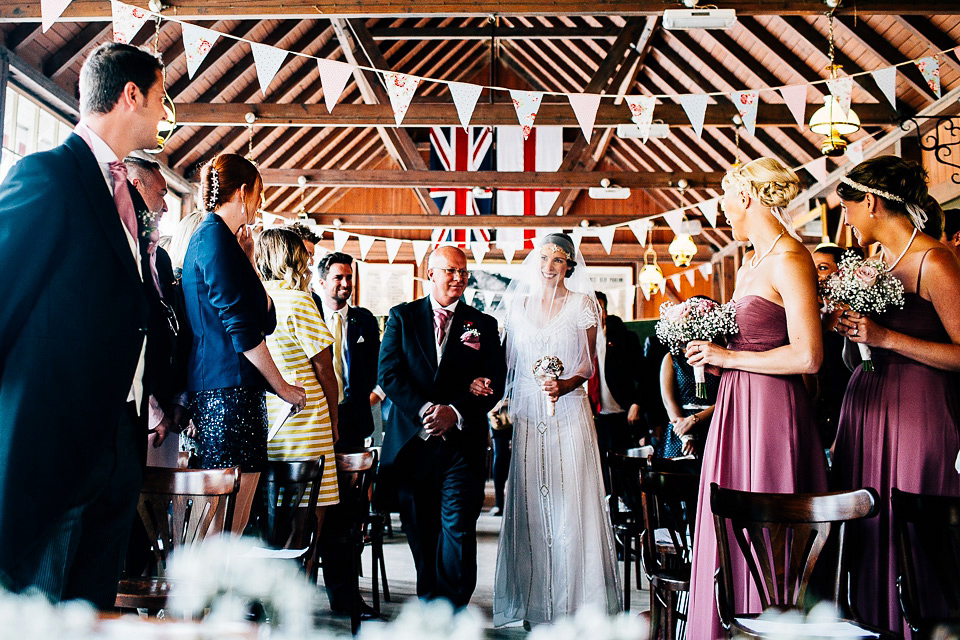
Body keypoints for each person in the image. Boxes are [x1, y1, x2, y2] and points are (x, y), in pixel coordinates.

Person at [0, 42, 166, 608]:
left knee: (91, 613)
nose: (164, 116)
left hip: (118, 445)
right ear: (131, 95)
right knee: (40, 615)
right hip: (53, 449)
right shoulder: (47, 176)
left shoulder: (131, 201)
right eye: (161, 99)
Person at [685, 158, 827, 639]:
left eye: (726, 200)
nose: (724, 212)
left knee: (769, 528)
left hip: (772, 412)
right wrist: (711, 353)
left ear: (745, 197)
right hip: (734, 407)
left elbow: (809, 356)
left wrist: (728, 356)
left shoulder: (790, 257)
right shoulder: (750, 263)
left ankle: (771, 622)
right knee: (729, 522)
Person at [832, 156, 960, 635]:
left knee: (912, 525)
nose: (845, 219)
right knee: (868, 526)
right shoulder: (870, 266)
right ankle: (874, 624)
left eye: (846, 207)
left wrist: (887, 338)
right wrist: (854, 334)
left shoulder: (934, 258)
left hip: (919, 409)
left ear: (870, 202)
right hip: (866, 406)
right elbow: (855, 357)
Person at [493, 233, 621, 627]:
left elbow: (586, 366)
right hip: (530, 416)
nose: (550, 265)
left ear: (569, 266)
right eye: (544, 257)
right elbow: (509, 366)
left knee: (572, 503)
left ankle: (575, 605)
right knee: (532, 502)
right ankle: (535, 603)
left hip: (569, 415)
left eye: (559, 259)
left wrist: (565, 384)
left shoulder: (583, 305)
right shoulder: (517, 306)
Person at [182, 153, 306, 533]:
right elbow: (244, 331)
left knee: (239, 505)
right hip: (226, 390)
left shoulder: (227, 244)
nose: (261, 204)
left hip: (235, 390)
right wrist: (282, 387)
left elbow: (264, 317)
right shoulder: (213, 240)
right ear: (242, 192)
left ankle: (223, 587)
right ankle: (212, 590)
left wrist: (251, 260)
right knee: (225, 515)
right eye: (259, 193)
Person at [378, 245, 506, 607]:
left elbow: (494, 379)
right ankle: (429, 599)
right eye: (450, 271)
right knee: (421, 528)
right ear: (430, 273)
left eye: (463, 272)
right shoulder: (401, 317)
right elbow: (389, 374)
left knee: (458, 526)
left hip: (461, 444)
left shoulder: (482, 324)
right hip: (413, 444)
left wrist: (456, 410)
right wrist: (425, 410)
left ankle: (453, 607)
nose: (458, 278)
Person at [255, 228, 340, 534]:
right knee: (309, 511)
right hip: (305, 418)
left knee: (276, 507)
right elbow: (324, 370)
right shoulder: (299, 302)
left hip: (269, 416)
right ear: (294, 258)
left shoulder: (254, 299)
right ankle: (301, 575)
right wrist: (334, 419)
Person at [125, 156, 185, 468]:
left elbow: (171, 329)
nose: (165, 207)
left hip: (165, 413)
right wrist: (153, 413)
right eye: (161, 194)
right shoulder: (123, 256)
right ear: (136, 188)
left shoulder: (160, 258)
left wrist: (176, 399)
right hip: (133, 413)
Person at [314, 252, 381, 449]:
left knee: (351, 476)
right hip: (319, 414)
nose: (346, 283)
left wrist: (372, 398)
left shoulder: (364, 321)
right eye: (338, 277)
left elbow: (377, 365)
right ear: (322, 282)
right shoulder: (312, 319)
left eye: (349, 277)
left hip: (354, 417)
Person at [589, 291, 643, 494]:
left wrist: (636, 404)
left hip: (619, 413)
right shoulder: (578, 340)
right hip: (589, 415)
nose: (596, 312)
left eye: (599, 307)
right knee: (597, 469)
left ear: (605, 311)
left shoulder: (624, 338)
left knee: (623, 471)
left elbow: (642, 374)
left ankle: (629, 512)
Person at [657, 296, 721, 460]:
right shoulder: (672, 358)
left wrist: (694, 420)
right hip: (681, 428)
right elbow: (668, 401)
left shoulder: (721, 356)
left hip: (716, 423)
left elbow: (727, 397)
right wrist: (685, 433)